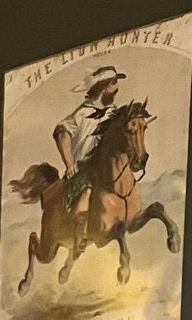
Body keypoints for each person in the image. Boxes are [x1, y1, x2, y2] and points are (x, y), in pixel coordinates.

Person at [52, 65, 124, 250]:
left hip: (106, 168)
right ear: (103, 87)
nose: (117, 89)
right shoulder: (81, 113)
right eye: (114, 84)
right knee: (87, 191)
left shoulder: (114, 112)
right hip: (84, 168)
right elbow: (62, 133)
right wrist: (69, 164)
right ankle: (79, 234)